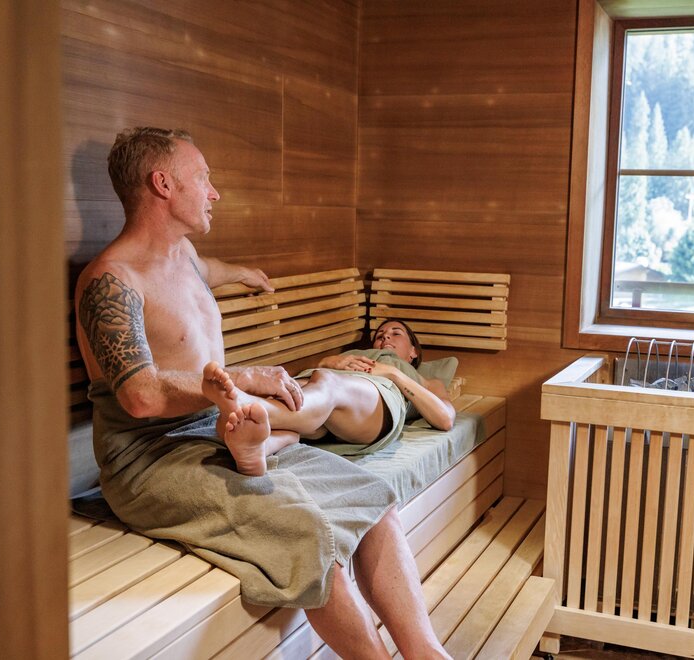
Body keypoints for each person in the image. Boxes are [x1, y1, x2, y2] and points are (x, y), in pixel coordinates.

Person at [75, 126, 450, 659]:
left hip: (218, 433)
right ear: (163, 184)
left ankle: (428, 653)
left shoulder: (185, 256)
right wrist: (246, 377)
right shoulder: (111, 281)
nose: (214, 192)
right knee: (306, 531)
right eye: (203, 177)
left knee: (373, 499)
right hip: (150, 459)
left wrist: (245, 273)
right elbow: (140, 396)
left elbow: (210, 272)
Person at [203, 318, 457, 475]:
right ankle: (261, 446)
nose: (385, 336)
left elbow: (445, 419)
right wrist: (328, 361)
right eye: (380, 335)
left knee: (327, 383)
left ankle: (245, 403)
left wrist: (393, 374)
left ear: (413, 351)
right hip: (321, 395)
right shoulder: (354, 355)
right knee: (303, 390)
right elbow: (317, 374)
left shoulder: (422, 378)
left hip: (376, 397)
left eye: (396, 333)